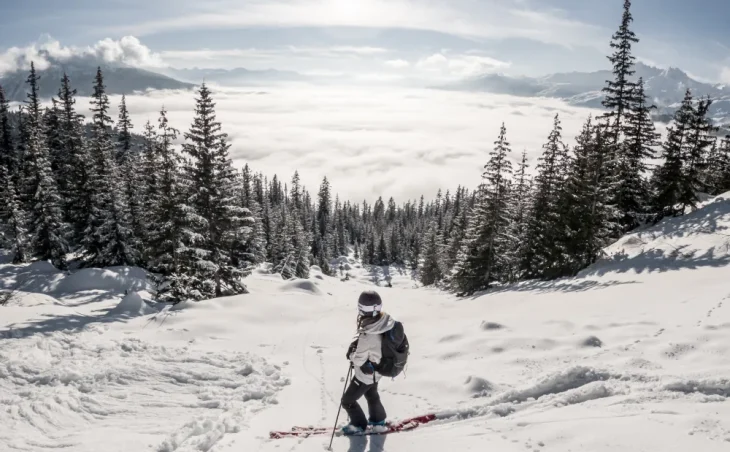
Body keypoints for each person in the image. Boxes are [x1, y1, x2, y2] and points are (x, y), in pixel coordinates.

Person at [341, 290, 396, 435]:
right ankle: (378, 421)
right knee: (372, 395)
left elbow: (358, 359)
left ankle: (358, 425)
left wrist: (352, 353)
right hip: (377, 371)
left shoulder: (368, 334)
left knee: (347, 401)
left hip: (365, 375)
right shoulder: (384, 322)